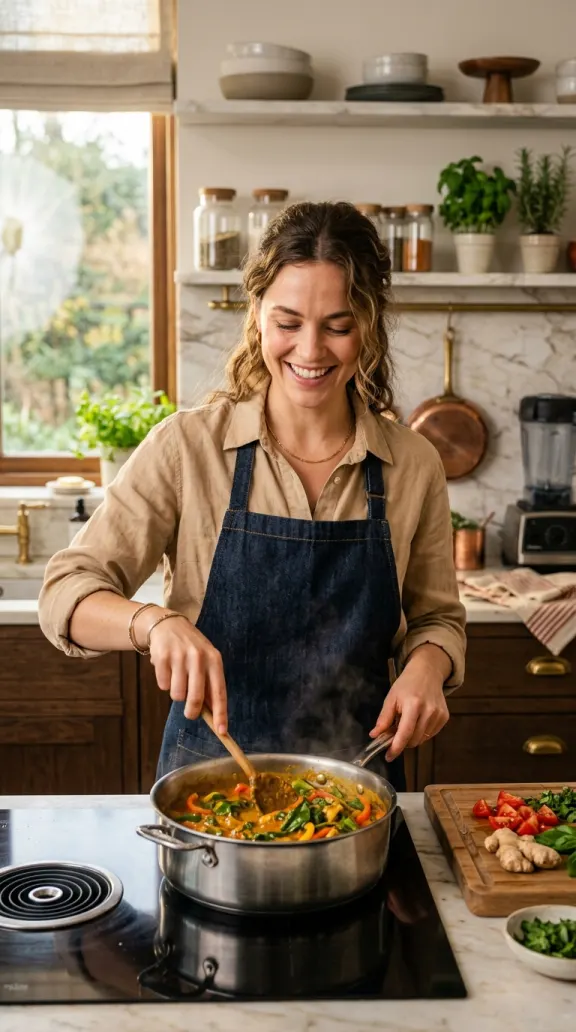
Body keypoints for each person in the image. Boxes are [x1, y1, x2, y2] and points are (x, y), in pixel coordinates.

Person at [39, 201, 466, 790]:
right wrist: (154, 624)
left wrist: (428, 666)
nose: (310, 351)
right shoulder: (187, 448)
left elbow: (437, 619)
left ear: (369, 324)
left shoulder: (412, 464)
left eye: (338, 326)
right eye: (288, 323)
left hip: (355, 792)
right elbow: (66, 593)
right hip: (207, 793)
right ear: (257, 315)